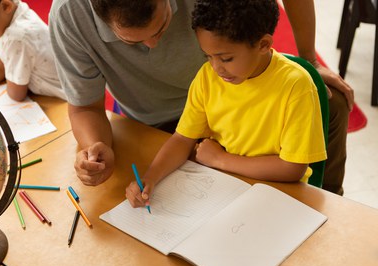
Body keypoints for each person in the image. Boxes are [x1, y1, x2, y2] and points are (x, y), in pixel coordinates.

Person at [49, 0, 353, 195]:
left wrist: (308, 61)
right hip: (167, 121)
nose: (154, 45)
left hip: (233, 119)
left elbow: (292, 167)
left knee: (333, 102)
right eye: (132, 41)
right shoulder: (208, 76)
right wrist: (96, 148)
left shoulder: (226, 73)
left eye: (162, 26)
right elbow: (85, 106)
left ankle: (331, 196)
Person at [125, 0, 327, 208]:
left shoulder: (296, 85)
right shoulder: (207, 78)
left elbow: (292, 168)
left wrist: (221, 160)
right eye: (208, 56)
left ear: (263, 45)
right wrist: (151, 178)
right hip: (227, 189)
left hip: (281, 195)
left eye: (226, 58)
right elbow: (182, 139)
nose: (216, 68)